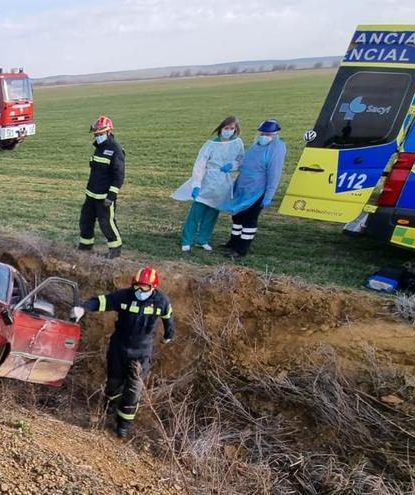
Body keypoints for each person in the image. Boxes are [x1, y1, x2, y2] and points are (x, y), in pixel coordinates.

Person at [70, 267, 174, 438]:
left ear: (153, 287)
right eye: (137, 286)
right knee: (114, 384)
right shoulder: (125, 296)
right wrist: (83, 309)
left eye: (144, 287)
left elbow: (168, 317)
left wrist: (169, 335)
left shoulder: (161, 300)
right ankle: (109, 409)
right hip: (119, 347)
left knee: (134, 389)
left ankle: (123, 426)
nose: (139, 291)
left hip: (141, 351)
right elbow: (101, 301)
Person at [171, 116, 244, 251]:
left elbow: (241, 160)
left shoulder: (238, 143)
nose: (229, 131)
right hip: (208, 180)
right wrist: (196, 184)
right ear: (221, 129)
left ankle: (203, 239)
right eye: (226, 128)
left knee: (212, 213)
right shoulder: (210, 144)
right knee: (196, 212)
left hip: (223, 183)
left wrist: (232, 165)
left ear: (235, 130)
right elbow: (200, 164)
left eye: (232, 128)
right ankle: (186, 240)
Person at [218, 119, 287, 258]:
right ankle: (233, 242)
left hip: (257, 190)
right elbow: (245, 162)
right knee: (237, 216)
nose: (264, 136)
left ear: (275, 134)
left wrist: (268, 195)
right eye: (262, 133)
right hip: (243, 186)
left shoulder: (276, 149)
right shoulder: (256, 146)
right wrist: (232, 166)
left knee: (249, 218)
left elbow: (274, 174)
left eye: (268, 134)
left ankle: (241, 249)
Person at [78, 115, 125, 259]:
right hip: (91, 195)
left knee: (107, 224)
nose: (98, 137)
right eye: (96, 134)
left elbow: (118, 176)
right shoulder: (98, 148)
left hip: (104, 198)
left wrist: (111, 196)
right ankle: (85, 247)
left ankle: (115, 251)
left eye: (100, 134)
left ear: (108, 132)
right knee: (85, 221)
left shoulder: (115, 150)